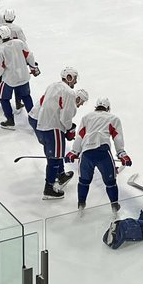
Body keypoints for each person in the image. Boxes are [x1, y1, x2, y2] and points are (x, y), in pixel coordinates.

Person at [65, 98, 129, 213]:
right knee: (111, 183)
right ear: (108, 108)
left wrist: (74, 151)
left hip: (86, 153)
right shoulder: (113, 118)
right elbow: (117, 136)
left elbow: (80, 135)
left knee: (83, 181)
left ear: (95, 107)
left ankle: (81, 204)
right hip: (103, 153)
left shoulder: (86, 117)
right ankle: (114, 206)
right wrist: (121, 153)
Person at [33, 69, 87, 198]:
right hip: (54, 128)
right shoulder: (69, 92)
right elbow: (65, 117)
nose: (76, 81)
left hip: (41, 125)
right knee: (55, 159)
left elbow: (42, 103)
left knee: (54, 156)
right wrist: (69, 129)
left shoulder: (53, 85)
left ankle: (59, 175)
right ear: (68, 77)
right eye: (74, 78)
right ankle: (49, 188)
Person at [0, 26, 40, 129]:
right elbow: (29, 56)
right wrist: (33, 67)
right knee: (26, 97)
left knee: (3, 98)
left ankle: (10, 120)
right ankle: (35, 122)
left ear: (0, 36)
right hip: (24, 76)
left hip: (9, 80)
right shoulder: (19, 43)